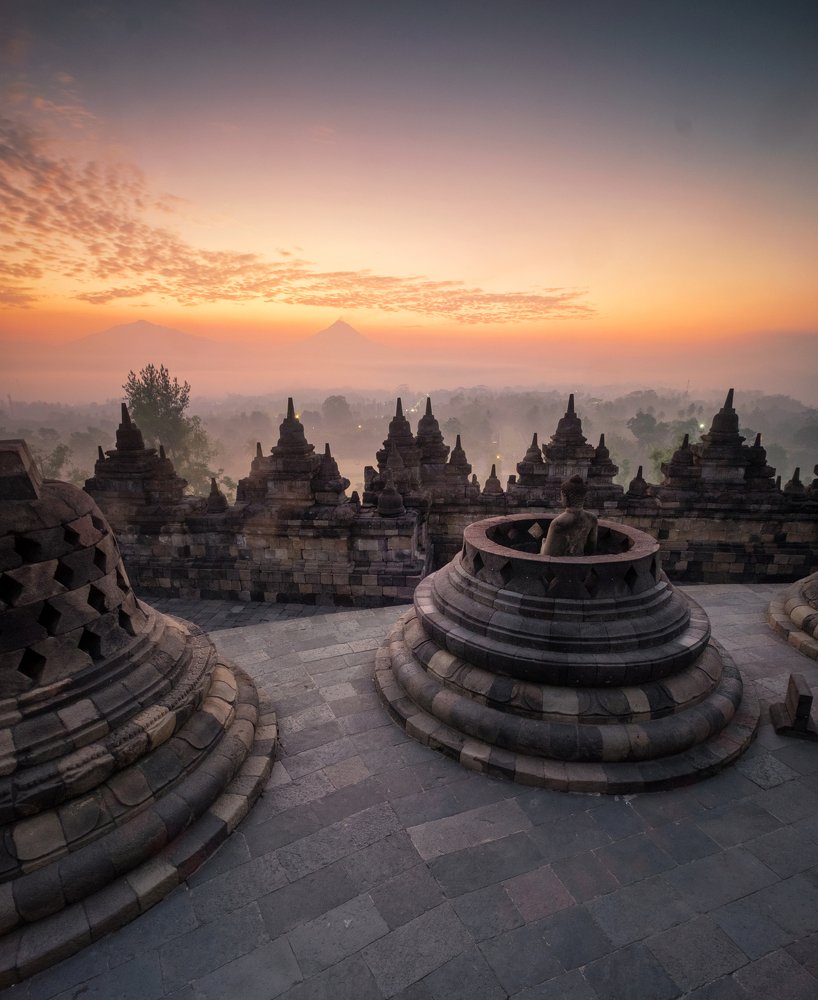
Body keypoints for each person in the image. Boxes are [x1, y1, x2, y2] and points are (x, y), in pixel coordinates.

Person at [541, 475, 597, 556]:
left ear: (565, 496)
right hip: (580, 562)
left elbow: (546, 555)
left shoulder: (558, 523)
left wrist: (543, 544)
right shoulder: (592, 519)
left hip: (561, 565)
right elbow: (591, 550)